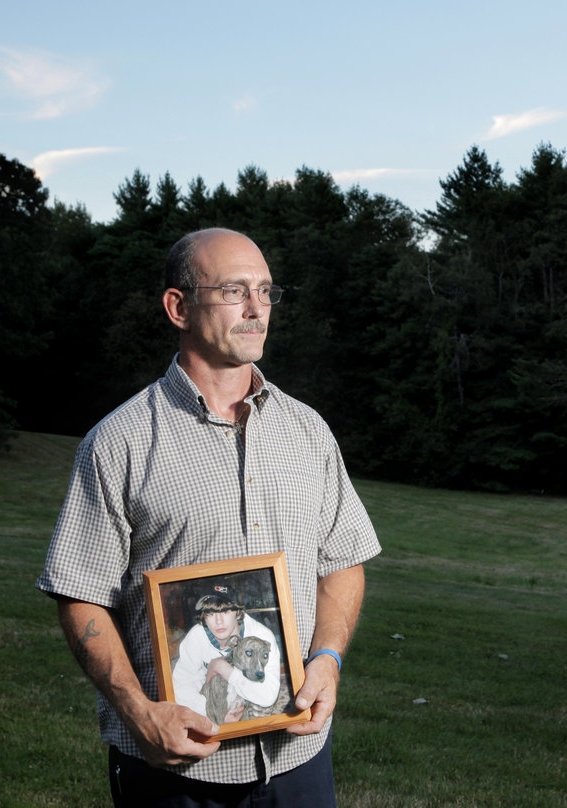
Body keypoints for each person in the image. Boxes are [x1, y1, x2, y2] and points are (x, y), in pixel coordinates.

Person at [36, 228, 381, 807]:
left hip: (298, 760)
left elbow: (342, 562)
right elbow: (81, 594)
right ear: (179, 307)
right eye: (234, 291)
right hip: (173, 770)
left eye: (266, 291)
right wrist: (137, 711)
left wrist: (327, 660)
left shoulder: (308, 432)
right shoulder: (117, 442)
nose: (256, 310)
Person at [171, 590, 281, 723]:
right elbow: (182, 687)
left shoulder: (261, 636)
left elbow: (268, 696)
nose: (219, 621)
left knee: (262, 712)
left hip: (249, 705)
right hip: (213, 703)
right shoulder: (196, 636)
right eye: (210, 614)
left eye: (225, 611)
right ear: (204, 617)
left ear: (238, 612)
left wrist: (226, 670)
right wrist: (211, 715)